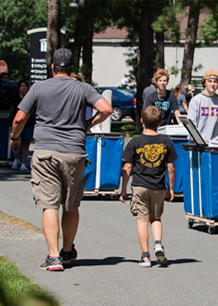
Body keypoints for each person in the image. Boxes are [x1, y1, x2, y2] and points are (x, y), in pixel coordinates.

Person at [10, 48, 113, 271]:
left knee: (49, 205)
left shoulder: (39, 87)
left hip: (46, 151)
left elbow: (19, 117)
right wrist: (88, 124)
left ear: (52, 67)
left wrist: (14, 138)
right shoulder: (82, 88)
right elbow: (106, 108)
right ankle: (67, 251)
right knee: (71, 204)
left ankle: (53, 256)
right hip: (74, 152)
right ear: (70, 68)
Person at [119, 106, 177, 267]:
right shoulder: (166, 142)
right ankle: (158, 243)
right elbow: (171, 167)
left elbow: (127, 167)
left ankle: (145, 256)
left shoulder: (135, 142)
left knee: (142, 220)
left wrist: (124, 188)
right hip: (158, 186)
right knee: (156, 218)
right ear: (160, 122)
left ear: (142, 121)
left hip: (139, 186)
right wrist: (170, 187)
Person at [187, 70, 218, 142]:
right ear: (204, 83)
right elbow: (191, 125)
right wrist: (200, 141)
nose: (212, 84)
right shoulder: (196, 100)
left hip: (215, 143)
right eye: (209, 81)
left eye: (215, 82)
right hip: (198, 144)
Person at [11, 81, 35, 171]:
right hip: (17, 123)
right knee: (17, 142)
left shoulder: (30, 98)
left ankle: (23, 162)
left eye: (25, 86)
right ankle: (16, 159)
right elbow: (13, 111)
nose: (24, 88)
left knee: (26, 144)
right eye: (22, 86)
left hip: (28, 124)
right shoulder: (15, 98)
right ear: (19, 88)